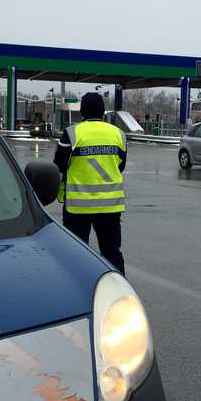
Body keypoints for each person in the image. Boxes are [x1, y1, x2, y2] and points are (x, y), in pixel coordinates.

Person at [54, 92, 127, 274]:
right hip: (110, 207)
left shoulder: (72, 134)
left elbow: (59, 166)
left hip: (78, 207)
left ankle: (76, 291)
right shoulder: (118, 134)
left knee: (76, 254)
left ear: (82, 111)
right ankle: (119, 291)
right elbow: (121, 164)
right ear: (103, 111)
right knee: (111, 253)